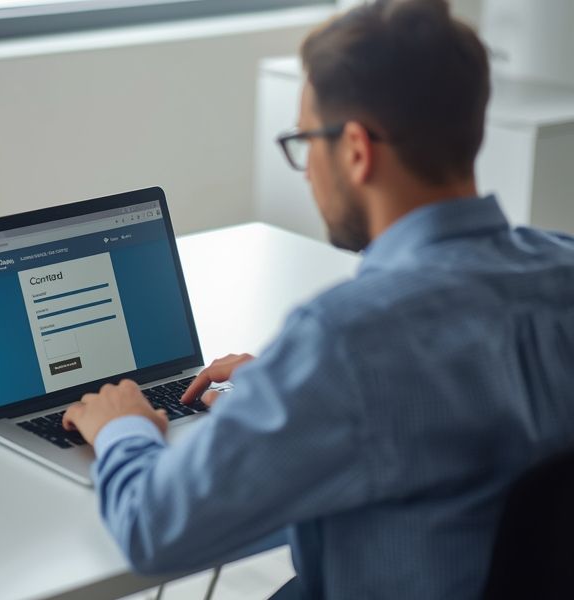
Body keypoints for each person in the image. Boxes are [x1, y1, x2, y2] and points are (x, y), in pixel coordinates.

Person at [63, 0, 574, 597]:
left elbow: (153, 531)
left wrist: (124, 428)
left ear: (356, 150)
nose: (306, 172)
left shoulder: (348, 342)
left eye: (306, 141)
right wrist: (288, 389)